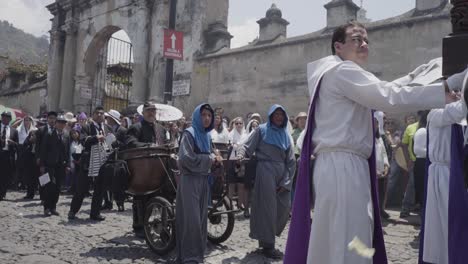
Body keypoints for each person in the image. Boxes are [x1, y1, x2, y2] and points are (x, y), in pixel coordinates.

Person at [284, 21, 464, 264]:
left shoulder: (341, 74)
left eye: (367, 40)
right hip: (343, 166)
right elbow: (388, 97)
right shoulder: (343, 71)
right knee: (350, 233)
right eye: (357, 39)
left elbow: (385, 89)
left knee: (344, 233)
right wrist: (442, 92)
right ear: (338, 46)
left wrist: (422, 76)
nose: (364, 44)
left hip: (341, 165)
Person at [237, 104, 296, 260]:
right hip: (265, 172)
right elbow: (247, 146)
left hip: (282, 173)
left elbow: (291, 161)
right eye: (276, 114)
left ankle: (266, 239)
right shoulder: (261, 130)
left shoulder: (285, 134)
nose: (279, 117)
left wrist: (286, 181)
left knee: (283, 208)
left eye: (281, 114)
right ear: (270, 115)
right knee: (267, 209)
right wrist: (242, 154)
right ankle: (267, 245)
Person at [420, 89, 466, 264]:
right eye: (449, 91)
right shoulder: (436, 113)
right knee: (445, 221)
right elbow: (460, 109)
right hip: (443, 175)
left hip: (452, 172)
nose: (454, 93)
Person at [176, 103, 221, 263]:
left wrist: (216, 160)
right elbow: (186, 158)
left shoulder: (207, 136)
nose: (207, 118)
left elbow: (210, 156)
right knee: (191, 220)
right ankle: (189, 256)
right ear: (197, 116)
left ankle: (198, 253)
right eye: (203, 115)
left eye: (209, 115)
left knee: (201, 220)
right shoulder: (190, 133)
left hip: (203, 181)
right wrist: (210, 159)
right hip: (190, 181)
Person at [125, 101, 167, 237]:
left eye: (153, 111)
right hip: (142, 168)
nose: (151, 113)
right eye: (148, 110)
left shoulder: (161, 128)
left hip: (159, 167)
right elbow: (130, 142)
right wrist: (148, 145)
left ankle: (160, 224)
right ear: (143, 113)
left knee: (159, 197)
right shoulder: (136, 127)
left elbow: (165, 144)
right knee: (140, 198)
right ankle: (139, 227)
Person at [68, 106, 111, 221]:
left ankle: (95, 213)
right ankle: (73, 211)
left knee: (99, 190)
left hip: (102, 163)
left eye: (102, 113)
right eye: (97, 113)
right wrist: (96, 138)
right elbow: (83, 141)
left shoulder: (107, 128)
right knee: (81, 189)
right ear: (93, 115)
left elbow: (111, 143)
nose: (99, 115)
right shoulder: (86, 127)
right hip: (88, 163)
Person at [39, 114, 70, 216]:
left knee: (57, 187)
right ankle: (46, 207)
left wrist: (68, 164)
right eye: (60, 122)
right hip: (49, 164)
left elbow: (67, 151)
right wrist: (42, 165)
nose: (61, 125)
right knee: (49, 186)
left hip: (61, 166)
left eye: (63, 123)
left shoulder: (66, 135)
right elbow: (43, 151)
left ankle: (53, 207)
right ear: (56, 123)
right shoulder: (49, 134)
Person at [103, 109, 127, 211]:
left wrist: (117, 144)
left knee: (118, 183)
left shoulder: (123, 130)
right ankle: (108, 203)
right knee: (107, 182)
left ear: (112, 119)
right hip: (109, 158)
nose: (106, 119)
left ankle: (120, 203)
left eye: (108, 117)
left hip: (119, 160)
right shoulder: (107, 129)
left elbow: (127, 145)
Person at [227, 117, 247, 211]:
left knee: (241, 183)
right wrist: (235, 145)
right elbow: (230, 145)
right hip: (232, 160)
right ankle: (230, 204)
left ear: (243, 124)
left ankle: (240, 203)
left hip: (242, 161)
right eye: (237, 123)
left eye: (240, 123)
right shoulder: (230, 134)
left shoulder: (246, 134)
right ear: (234, 125)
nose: (239, 125)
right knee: (231, 183)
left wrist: (238, 145)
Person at [375, 112, 390, 220]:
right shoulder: (367, 139)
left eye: (377, 123)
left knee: (381, 192)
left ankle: (380, 210)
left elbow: (384, 153)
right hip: (373, 172)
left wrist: (386, 166)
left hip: (381, 170)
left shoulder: (379, 139)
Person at [0, 111, 18, 200]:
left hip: (7, 155)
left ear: (10, 119)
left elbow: (17, 144)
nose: (5, 118)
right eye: (3, 116)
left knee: (5, 175)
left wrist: (13, 143)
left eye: (7, 117)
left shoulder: (14, 131)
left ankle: (2, 193)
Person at [413, 111, 429, 209]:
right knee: (423, 190)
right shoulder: (422, 131)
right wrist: (434, 152)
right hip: (421, 163)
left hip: (426, 162)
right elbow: (418, 150)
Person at [22, 130, 40, 199]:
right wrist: (30, 141)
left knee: (41, 179)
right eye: (32, 135)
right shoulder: (28, 140)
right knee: (30, 179)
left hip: (38, 161)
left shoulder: (40, 142)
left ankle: (43, 195)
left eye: (34, 135)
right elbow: (24, 148)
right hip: (30, 161)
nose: (33, 136)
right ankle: (29, 194)